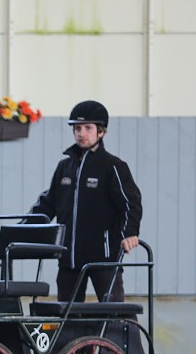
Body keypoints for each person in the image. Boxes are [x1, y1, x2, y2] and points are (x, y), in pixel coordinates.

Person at [29, 100, 142, 302]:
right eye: (77, 128)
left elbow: (130, 204)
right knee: (67, 316)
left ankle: (122, 335)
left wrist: (129, 233)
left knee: (114, 313)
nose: (81, 133)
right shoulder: (64, 167)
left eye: (88, 128)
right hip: (68, 259)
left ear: (101, 132)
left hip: (103, 259)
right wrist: (25, 228)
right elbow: (48, 203)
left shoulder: (113, 167)